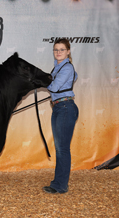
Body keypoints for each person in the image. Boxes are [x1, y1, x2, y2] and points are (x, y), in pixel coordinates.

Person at [43, 38, 79, 194]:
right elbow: (75, 77)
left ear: (68, 51)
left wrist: (38, 80)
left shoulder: (66, 68)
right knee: (60, 148)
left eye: (62, 50)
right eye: (56, 50)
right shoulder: (59, 67)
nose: (58, 52)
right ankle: (58, 183)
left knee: (62, 149)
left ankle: (60, 186)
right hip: (60, 107)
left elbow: (55, 87)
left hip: (65, 107)